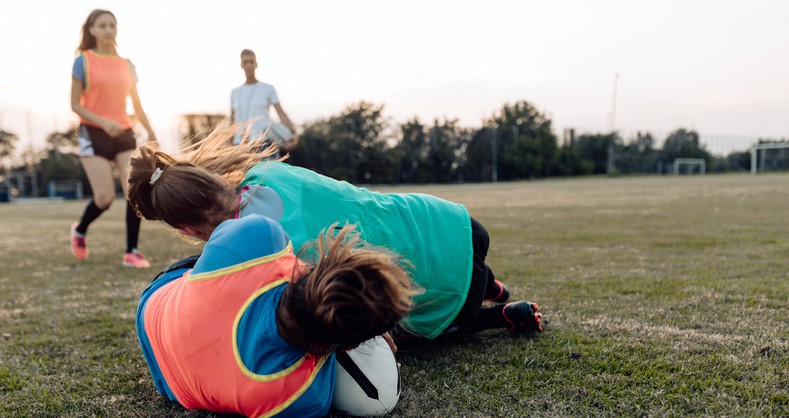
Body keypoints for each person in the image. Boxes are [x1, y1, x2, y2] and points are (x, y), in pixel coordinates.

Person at [126, 126, 544, 346]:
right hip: (454, 223)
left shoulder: (254, 246)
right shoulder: (269, 171)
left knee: (383, 317)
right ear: (210, 174)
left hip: (449, 297)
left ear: (189, 230)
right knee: (450, 257)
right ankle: (491, 284)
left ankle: (495, 310)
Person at [136, 214, 414, 418]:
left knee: (219, 260)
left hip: (153, 307)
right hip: (168, 382)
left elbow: (222, 237)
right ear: (351, 343)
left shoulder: (258, 234)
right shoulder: (301, 400)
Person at [69, 9, 156, 268]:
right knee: (105, 198)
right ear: (92, 30)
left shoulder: (126, 64)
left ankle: (132, 251)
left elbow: (137, 105)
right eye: (103, 25)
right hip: (92, 133)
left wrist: (151, 132)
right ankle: (80, 230)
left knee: (135, 192)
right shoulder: (83, 61)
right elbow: (75, 104)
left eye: (112, 25)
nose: (109, 30)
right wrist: (103, 122)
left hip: (123, 133)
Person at [230, 49, 299, 154]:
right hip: (240, 146)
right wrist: (228, 145)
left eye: (251, 62)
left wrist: (294, 132)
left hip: (264, 144)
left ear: (256, 64)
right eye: (245, 62)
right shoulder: (235, 93)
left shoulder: (268, 89)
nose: (249, 65)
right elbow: (232, 121)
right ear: (241, 65)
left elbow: (281, 113)